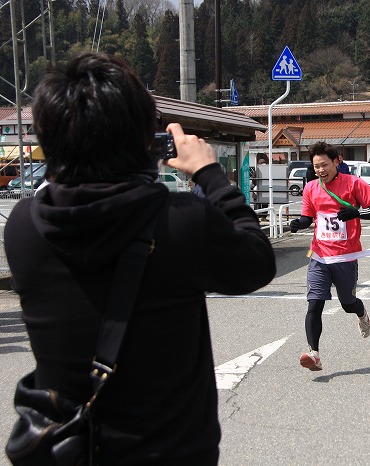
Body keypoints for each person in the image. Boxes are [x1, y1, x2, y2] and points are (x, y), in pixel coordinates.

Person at [5, 52, 276, 465]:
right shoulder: (182, 222)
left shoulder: (25, 227)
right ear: (142, 140)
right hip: (171, 452)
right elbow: (257, 261)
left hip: (73, 451)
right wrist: (208, 172)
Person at [289, 141, 370, 371]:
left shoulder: (354, 183)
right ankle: (314, 353)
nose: (320, 170)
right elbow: (308, 217)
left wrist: (355, 212)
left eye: (324, 165)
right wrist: (299, 224)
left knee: (348, 304)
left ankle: (362, 314)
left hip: (345, 256)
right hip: (319, 254)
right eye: (316, 166)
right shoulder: (311, 188)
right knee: (314, 304)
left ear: (336, 161)